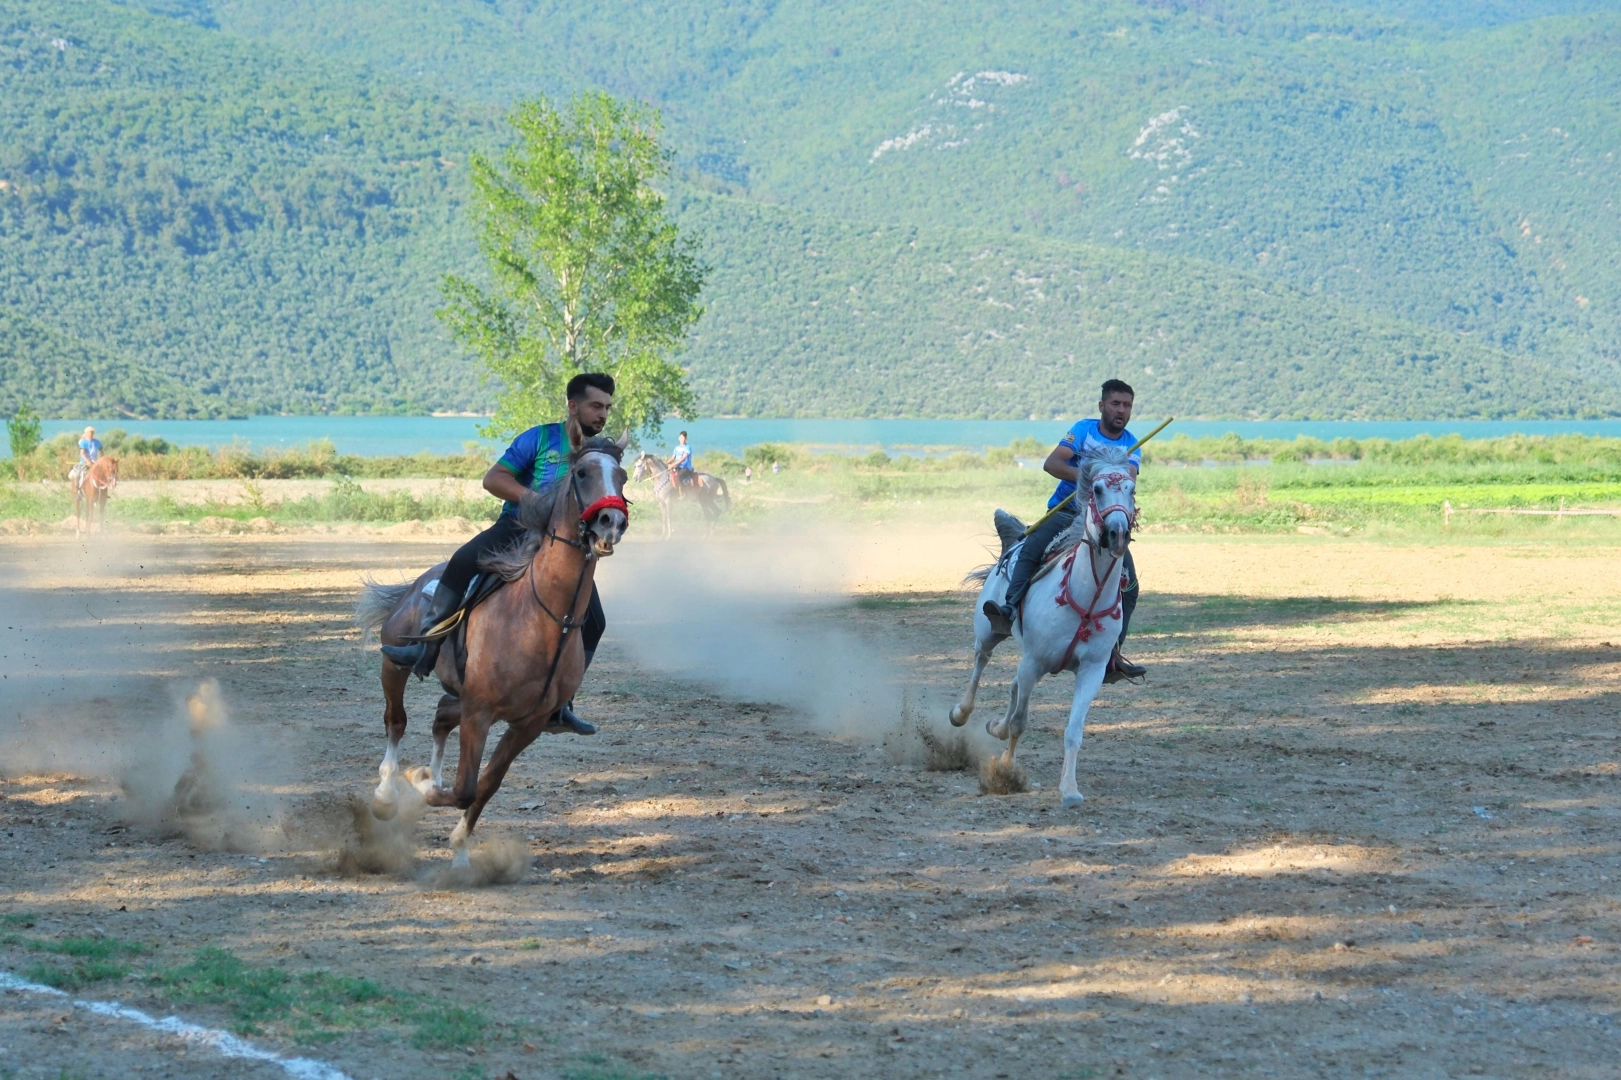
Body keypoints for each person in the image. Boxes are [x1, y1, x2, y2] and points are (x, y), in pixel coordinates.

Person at [380, 373, 617, 734]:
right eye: (596, 405)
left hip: (565, 548)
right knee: (461, 563)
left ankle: (560, 704)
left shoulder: (598, 453)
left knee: (595, 621)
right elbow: (494, 478)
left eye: (607, 408)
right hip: (515, 530)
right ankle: (424, 649)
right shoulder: (538, 438)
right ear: (573, 405)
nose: (602, 414)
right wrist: (533, 500)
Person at [984, 379, 1148, 682]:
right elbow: (1052, 463)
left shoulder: (1131, 444)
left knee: (1130, 584)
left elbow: (1130, 478)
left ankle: (1113, 652)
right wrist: (1088, 475)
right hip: (1066, 510)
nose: (1121, 410)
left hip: (1103, 519)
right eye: (1115, 404)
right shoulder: (1083, 430)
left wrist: (1111, 481)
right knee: (1031, 549)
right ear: (1102, 406)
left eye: (1127, 405)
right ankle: (1008, 610)